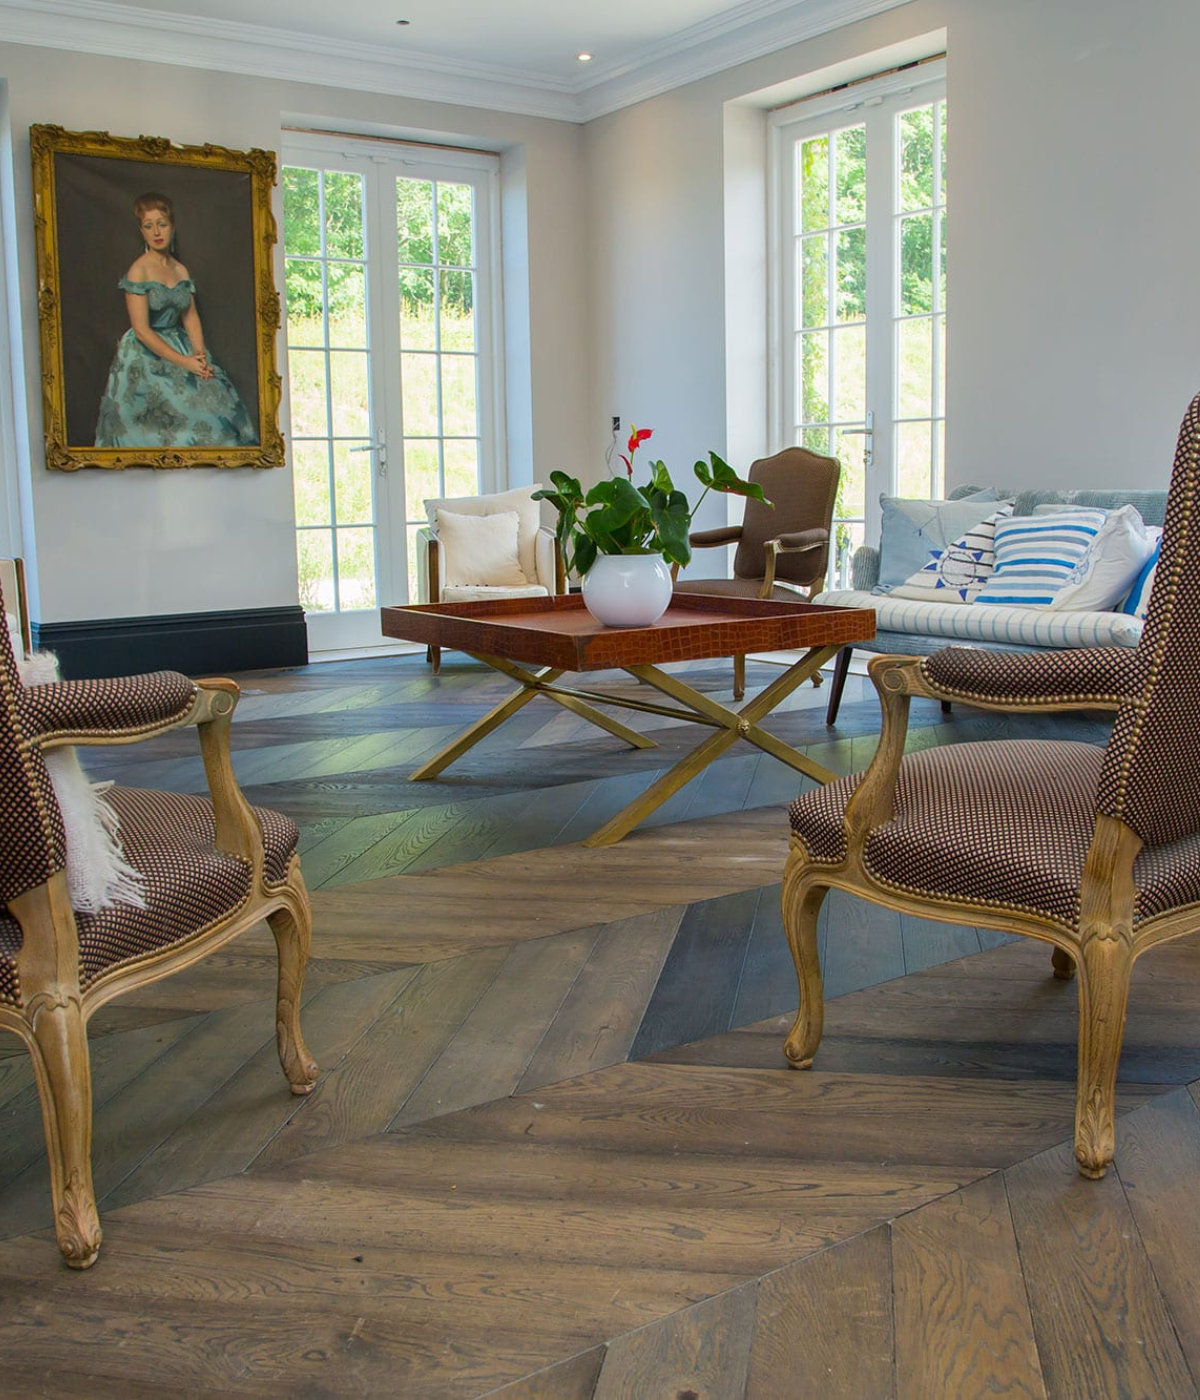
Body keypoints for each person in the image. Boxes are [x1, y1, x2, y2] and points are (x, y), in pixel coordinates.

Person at [94, 192, 257, 448]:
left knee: (217, 416)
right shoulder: (139, 270)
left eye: (162, 224)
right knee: (162, 428)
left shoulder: (180, 270)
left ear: (173, 227)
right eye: (149, 226)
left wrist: (200, 356)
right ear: (142, 231)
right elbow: (141, 330)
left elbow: (190, 316)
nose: (156, 232)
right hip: (146, 354)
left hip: (182, 344)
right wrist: (185, 362)